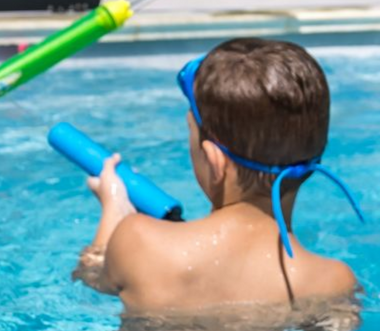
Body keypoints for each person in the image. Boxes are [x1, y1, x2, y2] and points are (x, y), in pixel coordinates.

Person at [77, 38, 360, 315]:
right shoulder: (332, 281)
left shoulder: (139, 239)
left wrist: (113, 211)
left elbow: (91, 278)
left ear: (215, 161)